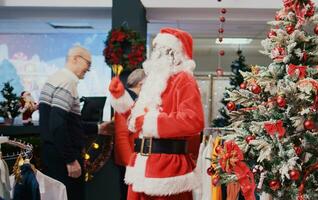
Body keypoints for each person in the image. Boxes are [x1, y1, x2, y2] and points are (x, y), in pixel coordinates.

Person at [109, 27, 204, 200]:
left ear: (177, 54)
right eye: (157, 50)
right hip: (141, 165)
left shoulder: (184, 80)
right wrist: (121, 99)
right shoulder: (153, 82)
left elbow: (194, 120)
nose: (158, 55)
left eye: (164, 50)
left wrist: (151, 122)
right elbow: (138, 120)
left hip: (167, 169)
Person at [39, 45, 113, 200]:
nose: (89, 69)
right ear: (75, 59)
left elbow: (67, 124)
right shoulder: (67, 82)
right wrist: (70, 160)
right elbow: (58, 125)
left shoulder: (55, 78)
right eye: (88, 63)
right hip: (62, 158)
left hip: (52, 154)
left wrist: (98, 128)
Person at [114, 69, 146, 200]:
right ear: (141, 84)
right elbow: (121, 136)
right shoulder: (125, 102)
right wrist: (130, 164)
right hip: (130, 161)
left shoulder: (134, 100)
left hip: (135, 160)